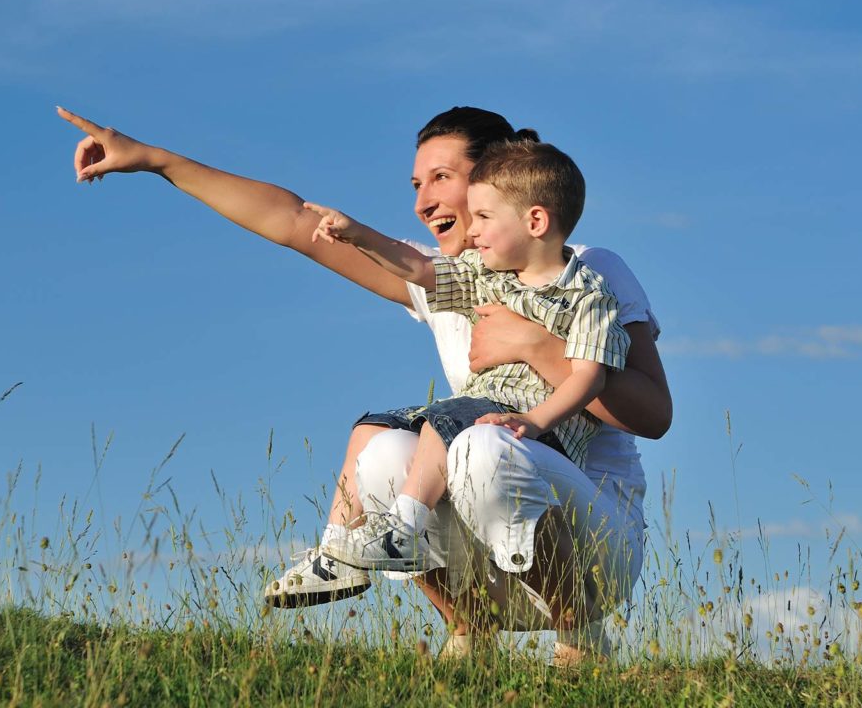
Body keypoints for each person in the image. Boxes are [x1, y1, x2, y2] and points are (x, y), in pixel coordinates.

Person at [57, 105, 672, 662]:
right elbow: (293, 221)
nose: (422, 202)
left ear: (500, 182)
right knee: (385, 453)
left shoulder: (587, 270)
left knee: (483, 448)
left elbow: (653, 415)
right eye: (415, 185)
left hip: (594, 545)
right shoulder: (449, 280)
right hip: (494, 543)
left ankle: (580, 638)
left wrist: (537, 347)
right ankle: (472, 633)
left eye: (441, 179)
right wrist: (156, 160)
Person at [303, 140, 628, 613]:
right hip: (481, 417)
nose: (472, 233)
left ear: (535, 222)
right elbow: (418, 268)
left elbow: (589, 378)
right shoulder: (486, 276)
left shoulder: (589, 295)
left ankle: (405, 529)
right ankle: (340, 550)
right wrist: (358, 236)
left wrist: (537, 420)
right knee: (383, 427)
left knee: (446, 418)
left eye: (484, 219)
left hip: (543, 438)